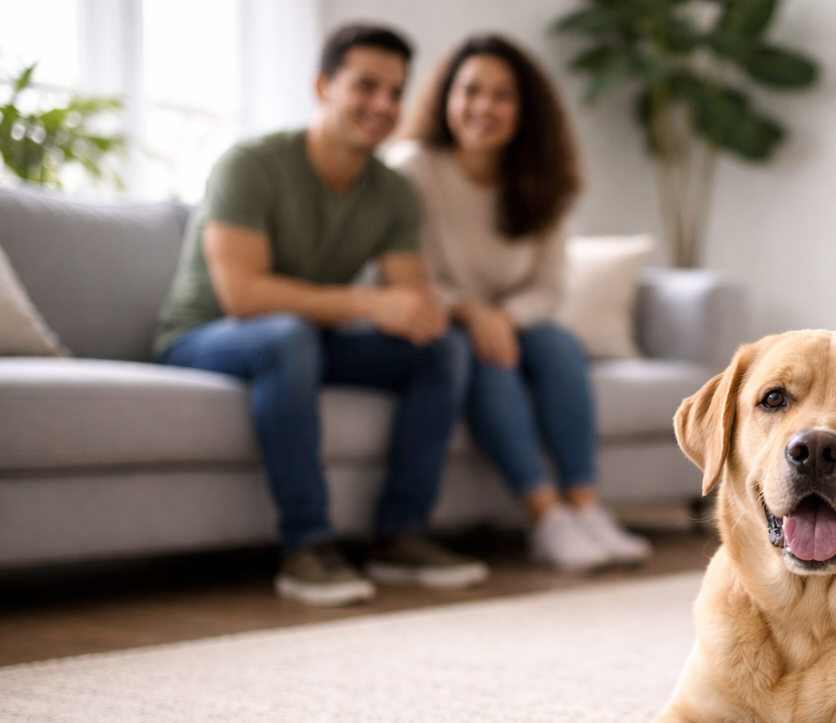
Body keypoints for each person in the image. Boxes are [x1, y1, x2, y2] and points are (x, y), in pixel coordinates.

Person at [153, 24, 489, 606]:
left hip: (307, 338)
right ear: (322, 86)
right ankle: (306, 545)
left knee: (442, 348)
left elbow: (407, 301)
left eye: (394, 91)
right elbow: (243, 297)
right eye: (366, 86)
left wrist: (426, 314)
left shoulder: (392, 192)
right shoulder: (250, 164)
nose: (383, 105)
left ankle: (400, 534)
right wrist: (370, 305)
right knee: (287, 336)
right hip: (205, 339)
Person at [388, 34, 651, 572]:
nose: (483, 107)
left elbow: (550, 287)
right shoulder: (412, 170)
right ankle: (544, 516)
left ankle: (585, 506)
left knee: (557, 342)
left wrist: (501, 317)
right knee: (484, 350)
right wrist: (470, 312)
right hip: (441, 322)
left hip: (510, 323)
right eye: (470, 91)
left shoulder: (544, 182)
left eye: (502, 95)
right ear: (447, 99)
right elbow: (402, 274)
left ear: (525, 110)